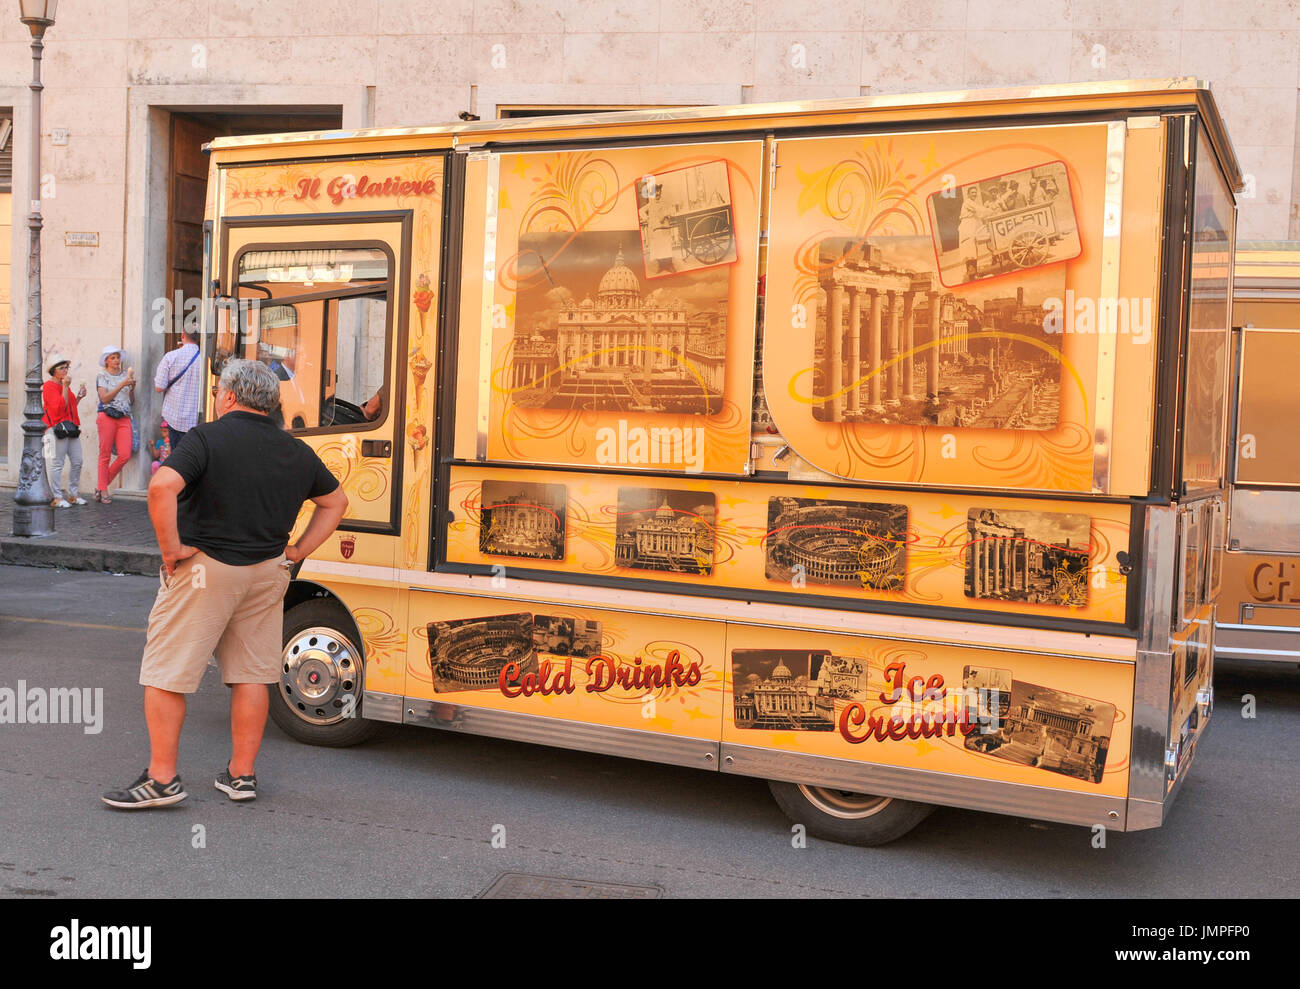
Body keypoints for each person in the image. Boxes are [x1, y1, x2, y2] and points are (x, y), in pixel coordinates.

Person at [101, 359, 348, 810]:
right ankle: (241, 775)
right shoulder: (296, 450)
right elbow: (335, 502)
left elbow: (161, 488)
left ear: (230, 396)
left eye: (218, 391)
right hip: (268, 569)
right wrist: (296, 552)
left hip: (204, 570)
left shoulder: (206, 438)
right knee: (251, 676)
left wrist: (171, 549)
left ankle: (161, 780)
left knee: (167, 673)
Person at [42, 354, 87, 507]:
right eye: (62, 368)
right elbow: (58, 410)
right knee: (56, 463)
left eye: (66, 367)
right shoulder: (49, 386)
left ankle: (73, 494)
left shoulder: (63, 386)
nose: (65, 370)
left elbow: (70, 407)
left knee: (77, 461)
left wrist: (79, 397)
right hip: (54, 428)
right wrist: (66, 387)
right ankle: (57, 497)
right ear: (53, 371)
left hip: (70, 428)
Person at [95, 346, 135, 503]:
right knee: (104, 454)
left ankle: (100, 485)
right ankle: (103, 490)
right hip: (107, 416)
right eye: (112, 358)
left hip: (124, 417)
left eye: (117, 357)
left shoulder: (125, 374)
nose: (116, 360)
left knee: (125, 455)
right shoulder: (102, 376)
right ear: (106, 360)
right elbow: (104, 398)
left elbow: (131, 401)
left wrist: (132, 389)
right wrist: (122, 385)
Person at [153, 328, 202, 455]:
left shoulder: (171, 357)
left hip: (175, 417)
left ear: (182, 335)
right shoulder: (204, 359)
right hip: (197, 419)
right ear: (199, 338)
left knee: (178, 457)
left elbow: (159, 387)